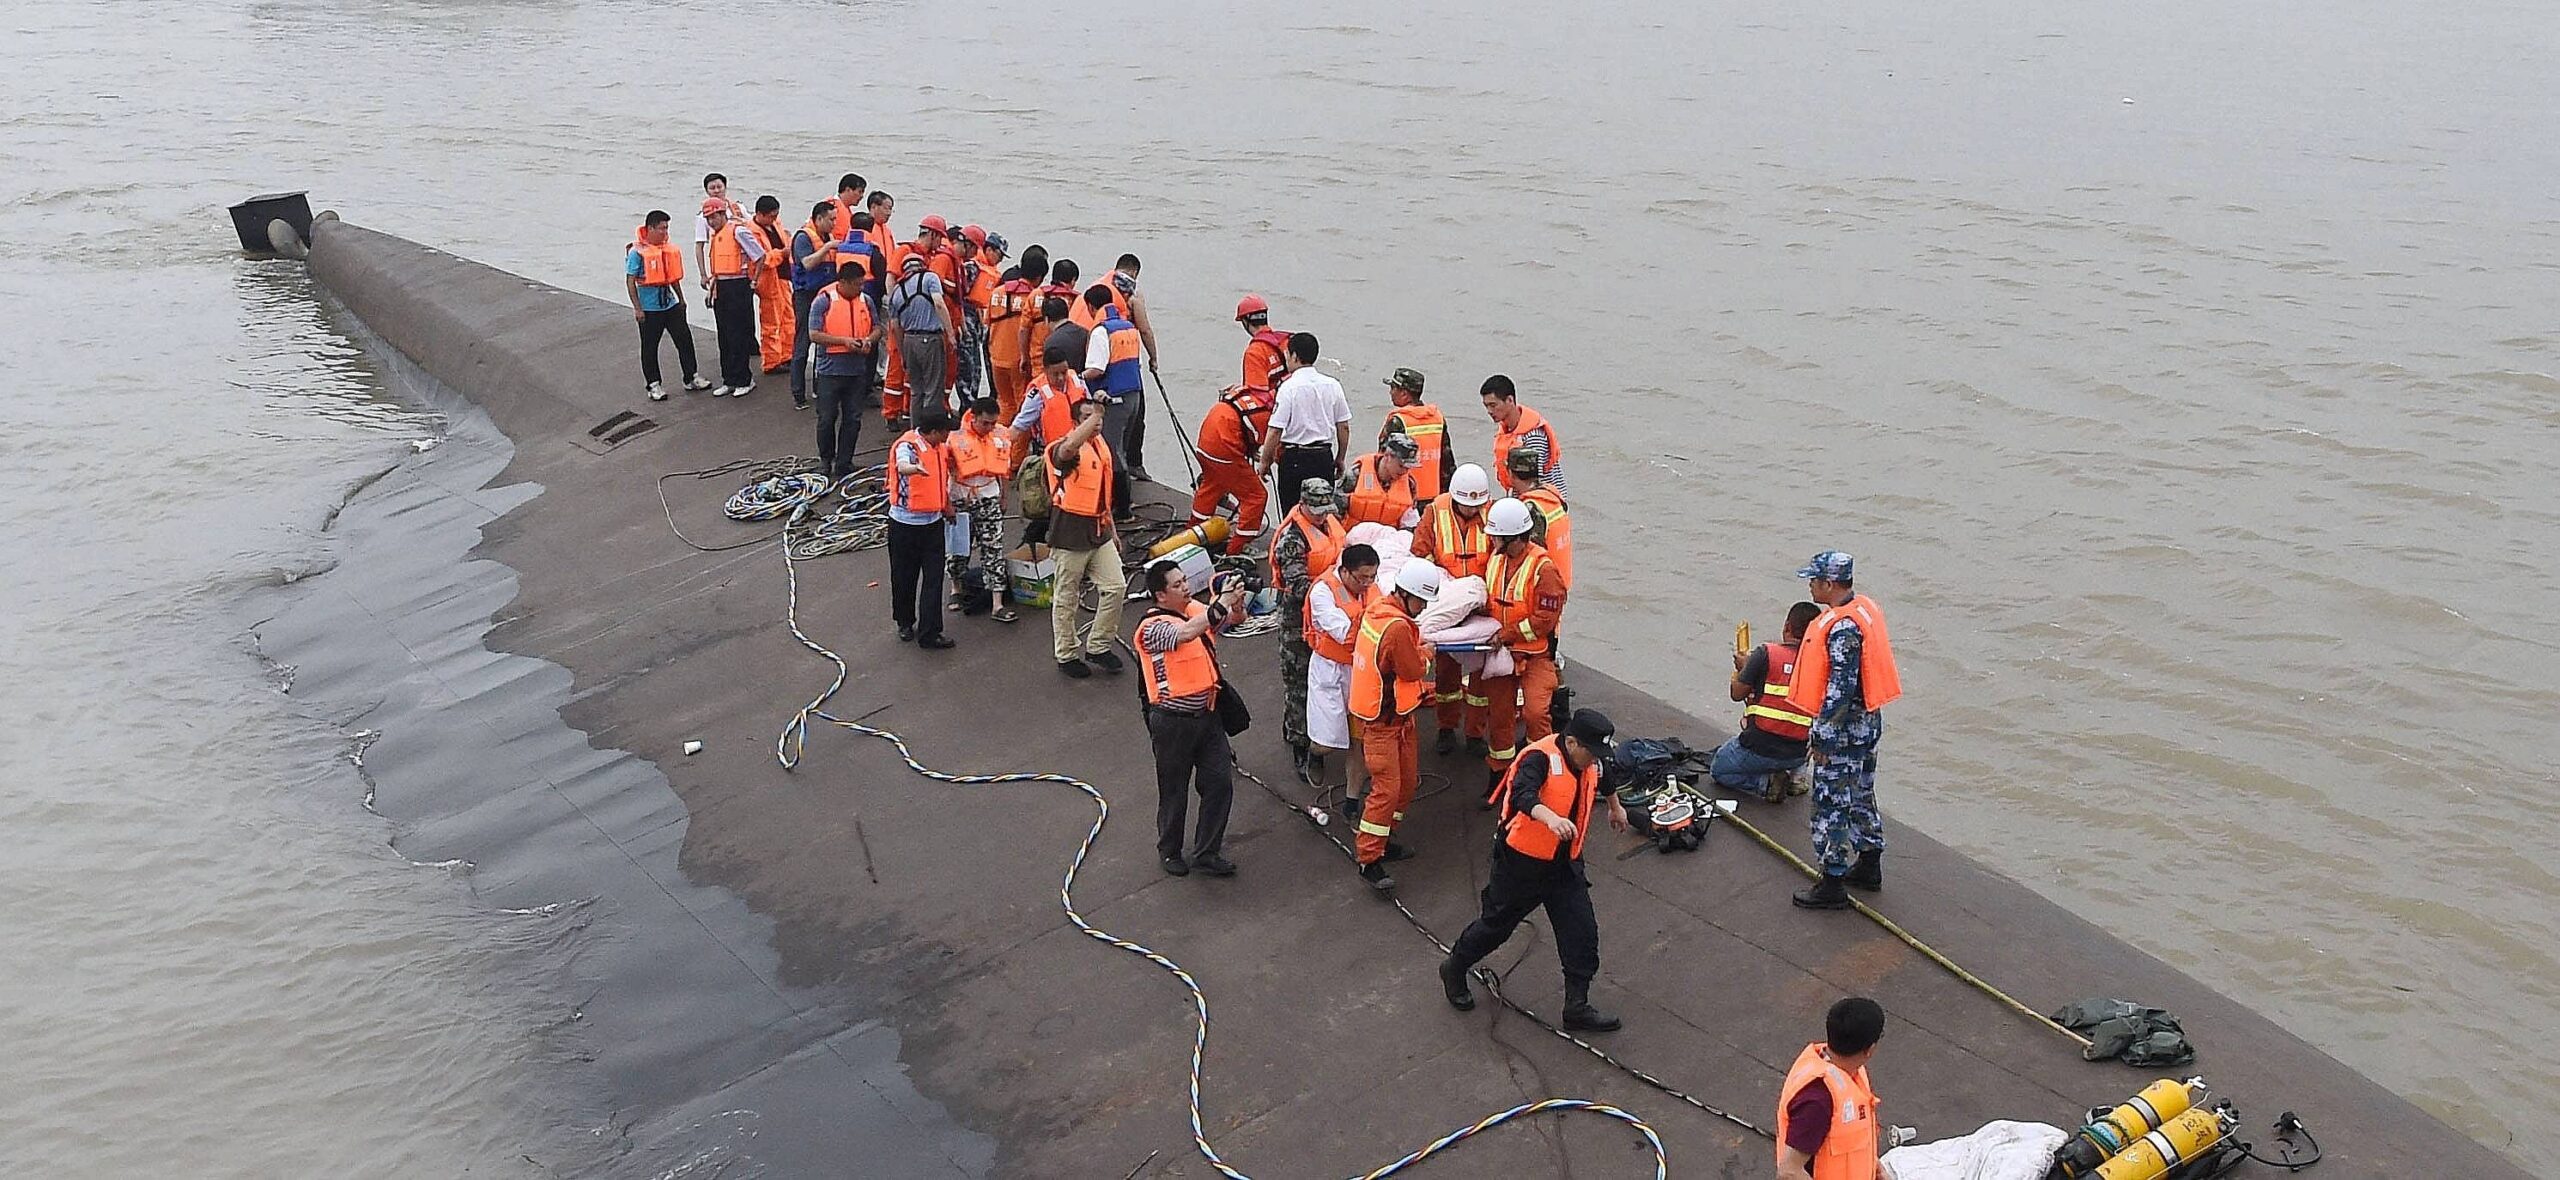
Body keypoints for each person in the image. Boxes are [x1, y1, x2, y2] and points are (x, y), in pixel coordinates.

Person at [1437, 708, 1628, 1031]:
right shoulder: (1538, 759)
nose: (1595, 760)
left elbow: (1605, 778)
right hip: (1521, 865)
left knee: (1581, 934)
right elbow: (1525, 795)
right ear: (1571, 743)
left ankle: (1576, 1006)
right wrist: (1550, 818)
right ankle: (1454, 967)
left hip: (1564, 865)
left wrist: (1615, 807)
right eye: (1591, 753)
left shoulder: (1592, 761)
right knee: (1496, 926)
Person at [1786, 552, 1902, 909]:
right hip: (1868, 724)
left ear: (1829, 584)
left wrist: (1822, 736)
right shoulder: (1863, 611)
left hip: (1844, 732)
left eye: (1814, 580)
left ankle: (1833, 881)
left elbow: (1840, 688)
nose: (1810, 585)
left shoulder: (1842, 629)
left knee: (1831, 802)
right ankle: (1869, 863)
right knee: (1862, 793)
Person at [1137, 560, 1248, 878]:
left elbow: (1232, 621)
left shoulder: (1195, 609)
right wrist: (1221, 604)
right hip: (1172, 722)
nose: (1186, 587)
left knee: (1219, 783)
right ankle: (1169, 850)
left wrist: (1235, 604)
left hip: (1208, 716)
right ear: (1160, 595)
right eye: (1177, 584)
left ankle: (1207, 851)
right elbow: (1186, 633)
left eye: (1186, 581)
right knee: (1174, 789)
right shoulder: (1151, 629)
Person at [1350, 560, 1442, 892]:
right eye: (1421, 601)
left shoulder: (1380, 612)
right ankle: (1369, 858)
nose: (1423, 608)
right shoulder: (1398, 628)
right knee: (1387, 791)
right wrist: (1427, 655)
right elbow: (1412, 669)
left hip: (1397, 718)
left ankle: (1385, 838)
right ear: (1406, 594)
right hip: (1383, 723)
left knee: (1405, 786)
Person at [1477, 498, 1566, 791]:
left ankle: (1543, 775)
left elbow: (1544, 619)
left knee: (1536, 714)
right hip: (1503, 654)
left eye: (1496, 535)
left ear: (1512, 537)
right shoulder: (1496, 560)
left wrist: (1508, 634)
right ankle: (1499, 776)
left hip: (1535, 655)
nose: (1491, 539)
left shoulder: (1544, 569)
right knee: (1500, 717)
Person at [1410, 464, 1495, 753]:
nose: (1471, 511)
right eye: (1466, 505)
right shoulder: (1435, 513)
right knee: (1446, 671)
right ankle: (1446, 728)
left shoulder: (1491, 513)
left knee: (1482, 674)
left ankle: (1475, 732)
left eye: (1476, 505)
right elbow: (1419, 554)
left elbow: (1499, 559)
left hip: (1481, 603)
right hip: (1445, 598)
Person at [1269, 480, 1348, 778]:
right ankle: (1300, 742)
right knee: (1299, 680)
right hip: (1297, 618)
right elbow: (1298, 585)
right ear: (1302, 504)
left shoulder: (1330, 521)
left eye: (1324, 510)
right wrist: (1333, 593)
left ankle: (1313, 729)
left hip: (1328, 610)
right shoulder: (1292, 539)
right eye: (1315, 511)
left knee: (1328, 678)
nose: (1320, 516)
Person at [1046, 399, 1126, 679]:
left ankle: (1099, 645)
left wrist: (1112, 531)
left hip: (1098, 530)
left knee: (1115, 586)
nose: (1097, 421)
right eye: (1088, 417)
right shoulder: (1064, 448)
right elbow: (1067, 450)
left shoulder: (1100, 447)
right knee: (1066, 597)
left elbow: (1102, 495)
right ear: (1076, 422)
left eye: (1098, 417)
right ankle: (1066, 653)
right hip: (1069, 534)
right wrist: (1095, 419)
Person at [1713, 602, 1821, 803]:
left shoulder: (1766, 654)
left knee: (1720, 769)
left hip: (1759, 746)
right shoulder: (1822, 665)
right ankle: (1797, 777)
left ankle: (1766, 784)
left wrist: (1741, 669)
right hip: (1797, 753)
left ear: (1787, 627)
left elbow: (1737, 694)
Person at [1776, 997, 1888, 1180]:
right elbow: (1789, 1172)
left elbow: (1850, 1141)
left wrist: (1874, 1168)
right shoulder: (1818, 1101)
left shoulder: (1849, 1073)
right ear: (1870, 1049)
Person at [1307, 543, 1380, 800]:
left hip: (1360, 671)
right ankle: (1314, 753)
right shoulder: (1322, 593)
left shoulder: (1372, 589)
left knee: (1358, 741)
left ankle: (1352, 800)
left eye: (1373, 577)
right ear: (1346, 572)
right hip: (1330, 670)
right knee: (1327, 742)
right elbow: (1344, 633)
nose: (1368, 583)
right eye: (1362, 578)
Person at [886, 410, 959, 650]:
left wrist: (947, 507)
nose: (949, 435)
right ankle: (905, 622)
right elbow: (903, 466)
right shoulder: (907, 446)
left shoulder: (939, 448)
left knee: (934, 579)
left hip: (932, 524)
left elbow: (942, 480)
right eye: (946, 431)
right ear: (934, 431)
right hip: (905, 526)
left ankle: (930, 632)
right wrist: (913, 469)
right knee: (904, 576)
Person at [805, 260, 883, 483]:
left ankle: (844, 462)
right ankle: (825, 461)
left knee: (853, 418)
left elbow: (877, 328)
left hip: (857, 370)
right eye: (857, 285)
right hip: (830, 370)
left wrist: (868, 340)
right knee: (827, 418)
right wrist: (843, 341)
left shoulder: (866, 301)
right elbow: (814, 334)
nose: (861, 288)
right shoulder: (824, 301)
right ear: (844, 282)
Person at [1255, 333, 1350, 514]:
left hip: (1294, 460)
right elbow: (1343, 426)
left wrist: (1265, 462)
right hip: (1323, 458)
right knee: (1321, 515)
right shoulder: (1333, 385)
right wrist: (1340, 458)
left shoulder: (1289, 387)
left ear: (1295, 356)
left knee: (1293, 514)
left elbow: (1275, 431)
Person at [946, 398, 1020, 624]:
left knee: (993, 549)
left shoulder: (1000, 435)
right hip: (961, 500)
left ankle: (997, 603)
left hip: (989, 497)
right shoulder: (954, 440)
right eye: (986, 423)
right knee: (959, 549)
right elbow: (944, 472)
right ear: (974, 417)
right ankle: (955, 588)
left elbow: (1003, 470)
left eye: (993, 423)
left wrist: (1004, 496)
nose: (990, 428)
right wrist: (946, 503)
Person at [627, 211, 711, 400]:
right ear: (650, 228)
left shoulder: (666, 249)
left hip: (670, 304)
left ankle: (691, 377)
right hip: (649, 308)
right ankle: (653, 385)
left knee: (684, 340)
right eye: (662, 228)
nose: (665, 232)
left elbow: (672, 277)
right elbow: (630, 281)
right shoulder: (636, 252)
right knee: (649, 347)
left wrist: (681, 299)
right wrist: (637, 308)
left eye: (667, 228)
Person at [1186, 383, 1272, 555]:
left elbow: (1244, 424)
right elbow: (1273, 445)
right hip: (1224, 449)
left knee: (1213, 484)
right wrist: (1266, 462)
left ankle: (1192, 531)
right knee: (1256, 496)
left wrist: (1250, 451)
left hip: (1205, 443)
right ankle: (1237, 548)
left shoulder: (1251, 393)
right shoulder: (1269, 415)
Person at [1082, 288, 1146, 514]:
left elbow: (1097, 369)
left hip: (1114, 398)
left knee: (1111, 450)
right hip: (1134, 396)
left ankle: (1122, 506)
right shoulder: (1128, 327)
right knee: (1123, 449)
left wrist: (1079, 376)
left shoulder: (1102, 331)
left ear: (1091, 307)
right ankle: (1124, 501)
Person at [701, 198, 767, 397]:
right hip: (721, 286)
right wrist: (711, 288)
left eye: (714, 217)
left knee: (738, 334)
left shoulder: (738, 231)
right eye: (708, 218)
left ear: (723, 214)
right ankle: (729, 379)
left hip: (738, 285)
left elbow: (760, 255)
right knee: (724, 335)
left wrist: (754, 281)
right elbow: (717, 269)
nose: (711, 222)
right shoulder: (716, 236)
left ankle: (744, 379)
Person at [1108, 254, 1161, 478]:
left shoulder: (1101, 289)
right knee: (1136, 414)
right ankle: (1133, 463)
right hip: (1127, 363)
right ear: (1135, 273)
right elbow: (1145, 330)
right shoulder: (1133, 296)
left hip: (1102, 362)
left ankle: (1114, 461)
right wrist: (1154, 359)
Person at [787, 201, 841, 409]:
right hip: (806, 295)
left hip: (825, 294)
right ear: (819, 219)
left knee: (824, 343)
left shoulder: (828, 236)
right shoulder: (803, 237)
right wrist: (827, 247)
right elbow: (807, 263)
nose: (834, 224)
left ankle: (821, 387)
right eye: (831, 219)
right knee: (803, 343)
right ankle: (798, 393)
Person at [886, 254, 950, 427]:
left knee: (916, 391)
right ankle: (931, 430)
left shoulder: (897, 291)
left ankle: (916, 430)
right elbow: (939, 303)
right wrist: (950, 335)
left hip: (908, 340)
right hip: (930, 339)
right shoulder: (930, 278)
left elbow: (895, 326)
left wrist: (902, 353)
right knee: (933, 389)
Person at [987, 251, 1049, 424]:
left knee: (1004, 403)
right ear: (1039, 277)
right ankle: (1015, 450)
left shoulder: (997, 293)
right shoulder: (1035, 299)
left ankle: (997, 442)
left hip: (996, 359)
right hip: (1019, 362)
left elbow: (987, 322)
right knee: (1023, 407)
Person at [1482, 374, 1567, 497]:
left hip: (1545, 501)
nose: (1489, 411)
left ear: (1510, 400)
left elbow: (1533, 484)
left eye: (1493, 405)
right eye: (1486, 406)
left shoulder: (1533, 436)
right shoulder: (1507, 431)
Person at [1380, 368, 1452, 501]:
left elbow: (1384, 464)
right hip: (1434, 498)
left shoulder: (1398, 421)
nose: (1390, 392)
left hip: (1405, 497)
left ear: (1404, 394)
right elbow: (1448, 464)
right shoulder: (1437, 418)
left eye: (1393, 388)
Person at [1505, 447, 1574, 586]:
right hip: (1560, 580)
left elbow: (1529, 556)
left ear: (1511, 474)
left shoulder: (1531, 509)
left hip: (1544, 584)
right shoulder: (1553, 497)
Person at [749, 196, 795, 378]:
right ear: (760, 214)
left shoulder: (775, 224)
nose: (774, 219)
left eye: (776, 215)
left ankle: (786, 355)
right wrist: (782, 253)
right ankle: (771, 361)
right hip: (768, 283)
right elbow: (762, 259)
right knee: (771, 324)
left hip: (783, 278)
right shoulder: (751, 231)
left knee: (788, 319)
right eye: (771, 216)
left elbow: (785, 239)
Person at [1343, 434, 1424, 530]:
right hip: (1352, 538)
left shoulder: (1410, 484)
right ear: (1387, 456)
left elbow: (1411, 522)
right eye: (1401, 466)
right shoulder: (1357, 474)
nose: (1405, 472)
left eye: (1408, 468)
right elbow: (1335, 513)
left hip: (1388, 541)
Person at [1234, 295, 1290, 395]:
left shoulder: (1254, 352)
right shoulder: (1286, 341)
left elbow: (1256, 395)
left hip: (1273, 407)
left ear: (1245, 321)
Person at [692, 172, 741, 282]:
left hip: (743, 271)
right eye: (712, 188)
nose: (716, 191)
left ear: (725, 188)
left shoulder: (738, 209)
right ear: (707, 191)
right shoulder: (702, 217)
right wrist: (703, 275)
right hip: (721, 269)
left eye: (719, 187)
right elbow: (699, 246)